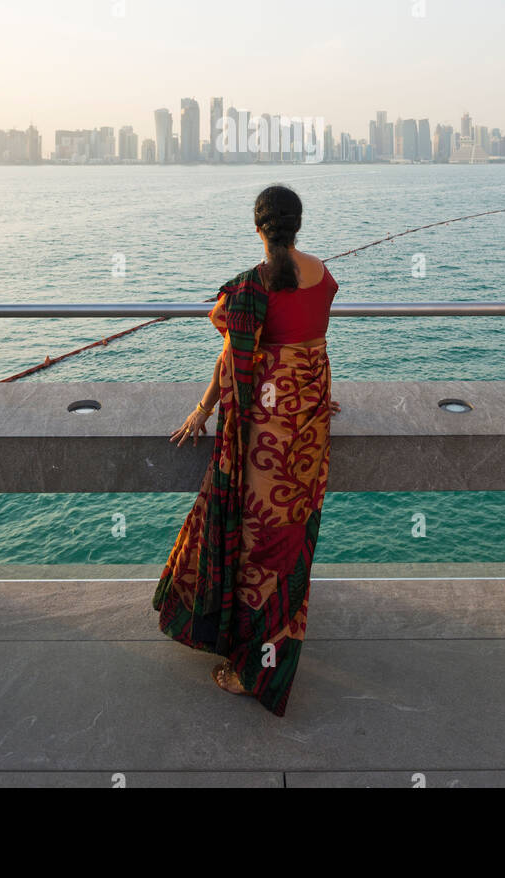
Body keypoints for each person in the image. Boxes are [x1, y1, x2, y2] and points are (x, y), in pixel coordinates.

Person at [152, 184, 339, 717]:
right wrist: (317, 386)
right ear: (297, 226)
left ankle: (255, 673)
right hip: (309, 424)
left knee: (258, 546)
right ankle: (272, 644)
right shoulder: (324, 276)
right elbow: (312, 344)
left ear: (258, 228)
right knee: (292, 539)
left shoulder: (247, 291)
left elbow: (232, 360)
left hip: (264, 435)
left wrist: (202, 409)